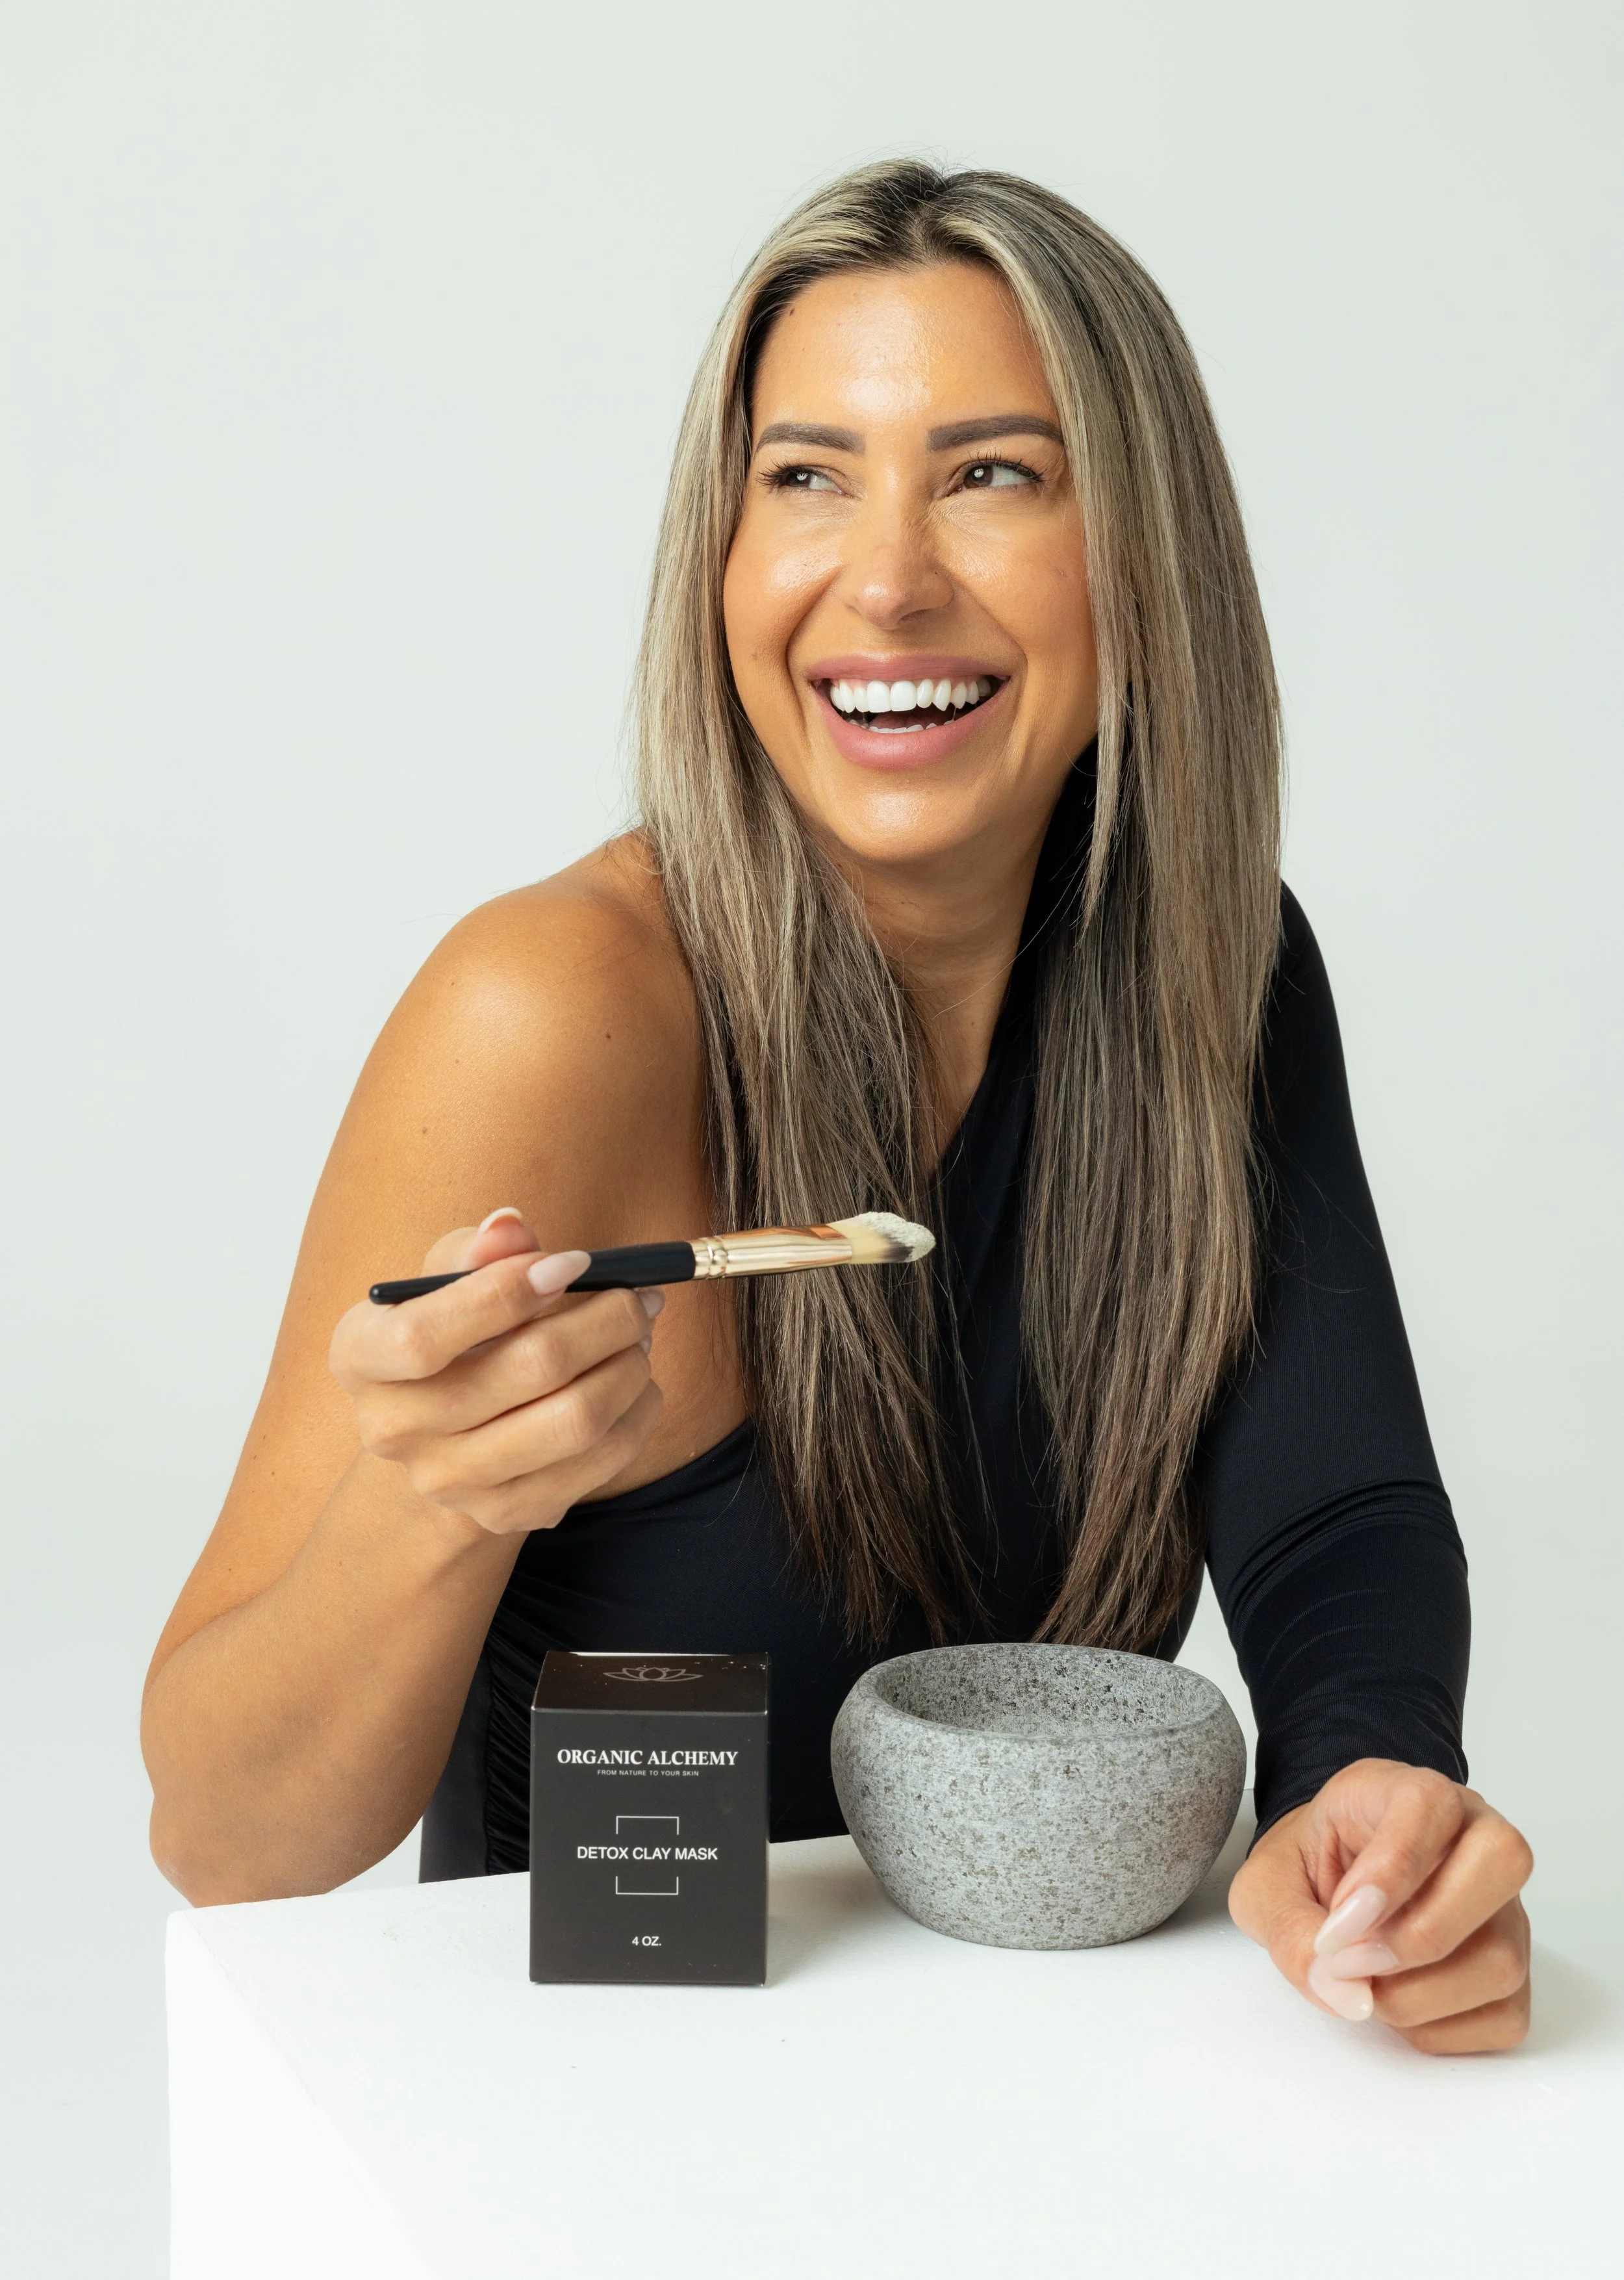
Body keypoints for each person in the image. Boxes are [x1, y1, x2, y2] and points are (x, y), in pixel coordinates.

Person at [142, 162, 1532, 2051]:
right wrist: (430, 1504)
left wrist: (1366, 1793)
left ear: (1145, 556)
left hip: (1017, 2101)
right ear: (718, 552)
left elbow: (1332, 1512)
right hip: (584, 2125)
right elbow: (229, 1835)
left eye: (993, 473)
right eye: (805, 474)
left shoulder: (1218, 955)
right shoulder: (551, 1008)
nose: (883, 578)